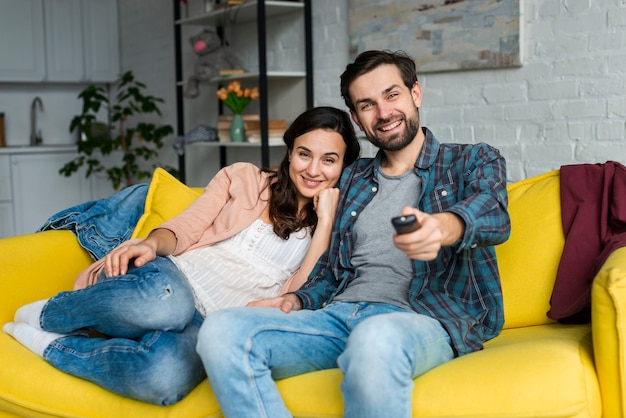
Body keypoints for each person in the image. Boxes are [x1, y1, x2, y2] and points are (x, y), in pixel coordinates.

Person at [195, 50, 511, 418]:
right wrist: (298, 300)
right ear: (357, 119)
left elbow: (493, 213)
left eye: (392, 95)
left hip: (421, 318)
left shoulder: (471, 161)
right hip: (338, 315)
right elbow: (330, 269)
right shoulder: (351, 179)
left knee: (373, 338)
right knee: (221, 331)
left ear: (416, 94)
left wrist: (444, 226)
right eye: (367, 105)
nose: (384, 113)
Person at [2, 106, 361, 406]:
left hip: (211, 323)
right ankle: (52, 312)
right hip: (170, 282)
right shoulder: (245, 178)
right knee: (167, 306)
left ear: (345, 167)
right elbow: (189, 225)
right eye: (304, 153)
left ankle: (52, 345)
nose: (313, 170)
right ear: (289, 151)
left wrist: (325, 220)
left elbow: (294, 295)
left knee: (164, 379)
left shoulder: (335, 229)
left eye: (329, 160)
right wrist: (152, 244)